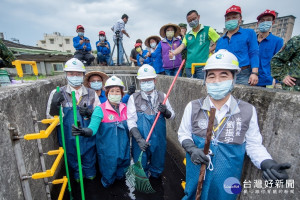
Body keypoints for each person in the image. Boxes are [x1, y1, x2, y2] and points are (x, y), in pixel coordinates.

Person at [178, 50, 290, 200]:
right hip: (196, 173)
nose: (217, 81)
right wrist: (191, 149)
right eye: (211, 76)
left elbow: (253, 145)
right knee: (192, 195)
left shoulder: (247, 110)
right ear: (205, 80)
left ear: (233, 79)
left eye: (224, 75)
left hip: (228, 179)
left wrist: (267, 163)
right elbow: (183, 133)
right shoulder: (193, 107)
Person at [46, 58, 100, 182]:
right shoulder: (57, 92)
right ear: (66, 75)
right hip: (68, 137)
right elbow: (52, 120)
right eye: (71, 73)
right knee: (73, 161)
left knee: (90, 160)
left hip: (88, 136)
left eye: (78, 74)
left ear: (83, 75)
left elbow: (99, 115)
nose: (74, 76)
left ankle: (91, 177)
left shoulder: (92, 93)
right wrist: (55, 106)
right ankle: (77, 176)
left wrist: (90, 113)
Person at [72, 75, 130, 188]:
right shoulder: (100, 109)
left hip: (124, 150)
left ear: (122, 93)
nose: (115, 94)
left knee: (122, 176)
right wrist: (83, 131)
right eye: (112, 91)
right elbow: (92, 129)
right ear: (107, 93)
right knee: (108, 178)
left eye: (118, 91)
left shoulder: (125, 108)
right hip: (107, 153)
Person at [127, 64, 175, 179]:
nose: (146, 83)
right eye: (143, 81)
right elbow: (131, 121)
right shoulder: (134, 98)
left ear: (155, 80)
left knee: (158, 163)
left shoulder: (163, 96)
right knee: (141, 166)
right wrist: (139, 140)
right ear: (139, 82)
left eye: (149, 80)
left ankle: (156, 180)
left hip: (159, 138)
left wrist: (166, 112)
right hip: (141, 139)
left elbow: (172, 116)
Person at [215, 5, 259, 86]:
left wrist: (254, 73)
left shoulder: (249, 33)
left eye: (234, 17)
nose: (231, 20)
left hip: (243, 73)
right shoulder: (221, 40)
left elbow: (254, 53)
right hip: (225, 74)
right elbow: (217, 58)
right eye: (228, 18)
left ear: (240, 19)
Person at [169, 10, 220, 79]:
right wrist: (173, 53)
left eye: (194, 19)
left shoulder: (208, 30)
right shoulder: (187, 35)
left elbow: (219, 41)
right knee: (191, 87)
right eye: (190, 21)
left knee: (203, 86)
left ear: (198, 17)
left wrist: (210, 50)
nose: (192, 21)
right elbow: (181, 46)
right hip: (189, 67)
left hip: (203, 65)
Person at [256, 10, 284, 88]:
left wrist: (276, 80)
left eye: (268, 20)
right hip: (249, 78)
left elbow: (279, 62)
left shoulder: (277, 41)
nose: (265, 22)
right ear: (258, 23)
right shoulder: (251, 40)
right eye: (262, 20)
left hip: (267, 80)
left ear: (273, 22)